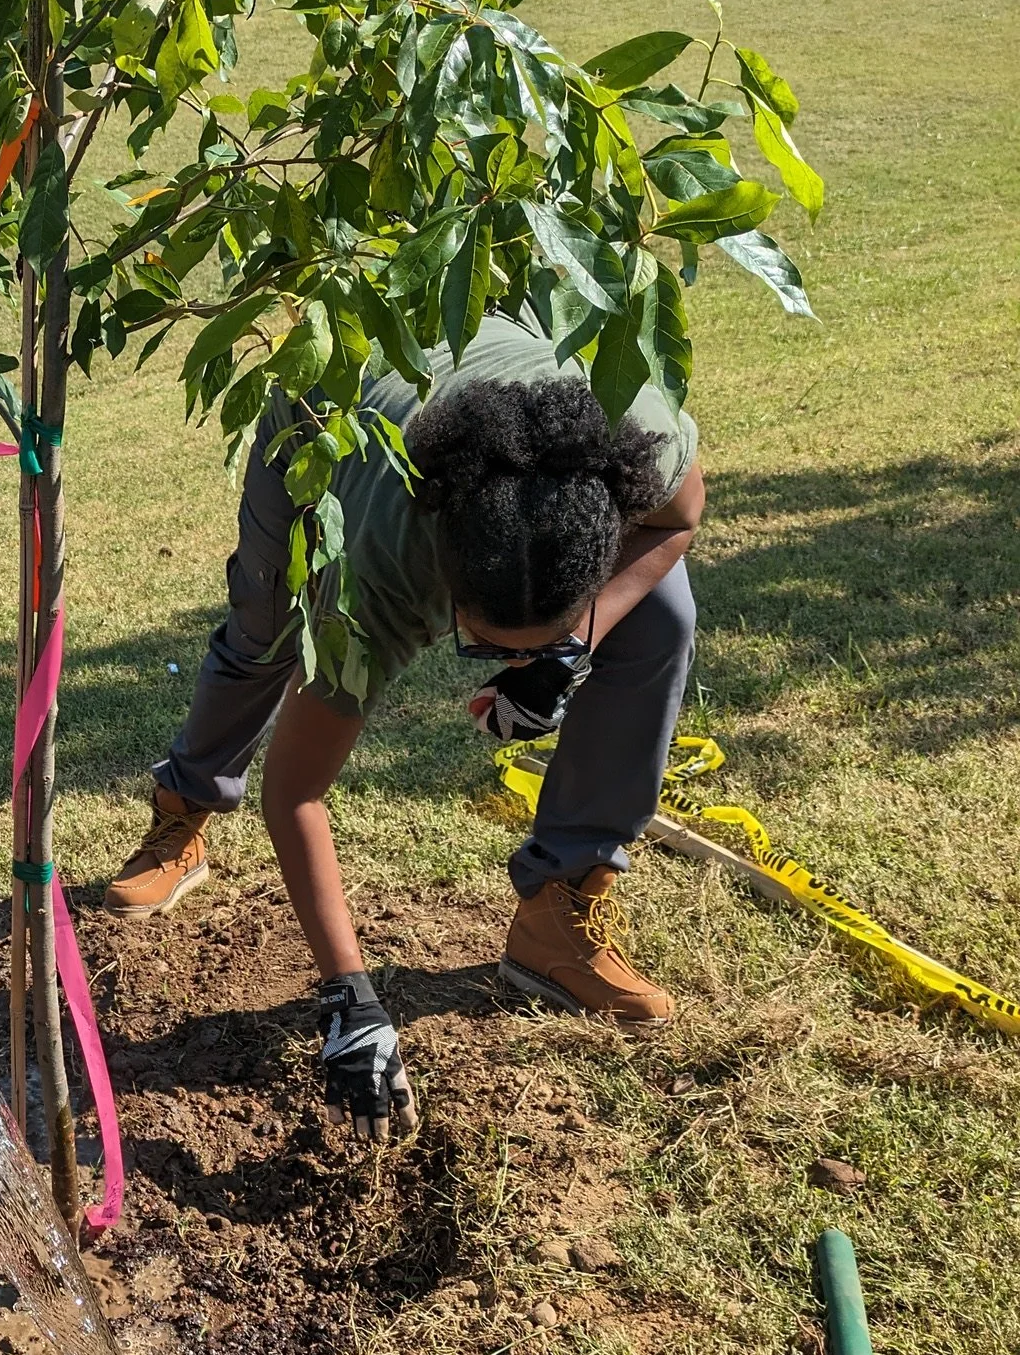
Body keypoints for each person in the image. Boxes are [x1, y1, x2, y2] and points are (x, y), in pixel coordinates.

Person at [106, 312, 704, 1140]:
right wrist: (350, 1001)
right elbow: (298, 794)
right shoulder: (380, 571)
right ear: (441, 589)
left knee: (663, 619)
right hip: (325, 406)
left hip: (515, 417)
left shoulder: (637, 431)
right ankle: (183, 815)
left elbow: (677, 519)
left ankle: (558, 914)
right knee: (266, 628)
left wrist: (571, 651)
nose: (494, 660)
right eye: (484, 643)